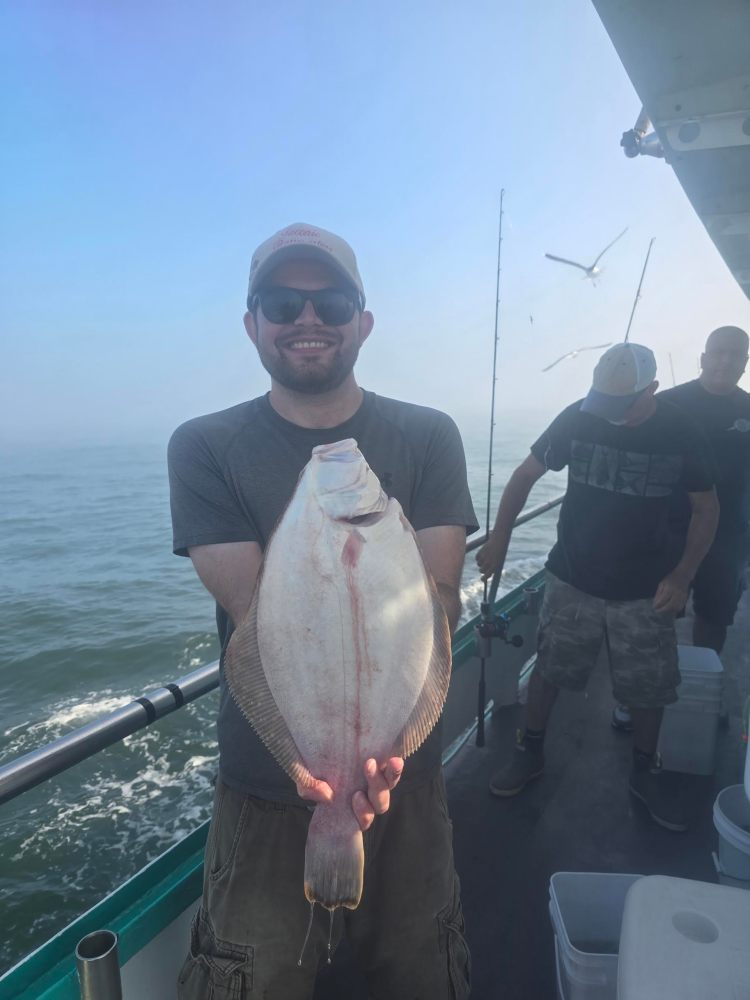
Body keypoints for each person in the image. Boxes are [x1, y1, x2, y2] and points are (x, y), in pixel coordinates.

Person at [168, 223, 476, 999]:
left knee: (422, 975)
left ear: (362, 321)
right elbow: (250, 608)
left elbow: (439, 601)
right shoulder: (203, 445)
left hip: (404, 770)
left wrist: (383, 755)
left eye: (331, 301)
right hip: (269, 783)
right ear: (253, 324)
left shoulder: (428, 434)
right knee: (251, 978)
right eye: (282, 302)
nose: (308, 318)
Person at [476, 343, 718, 831]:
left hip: (647, 589)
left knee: (649, 689)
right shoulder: (579, 417)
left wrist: (683, 574)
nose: (609, 415)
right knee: (549, 669)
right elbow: (526, 474)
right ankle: (530, 752)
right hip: (571, 576)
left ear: (650, 390)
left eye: (621, 404)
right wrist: (500, 536)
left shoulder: (681, 430)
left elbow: (706, 508)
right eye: (602, 402)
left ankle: (643, 771)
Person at [659, 326, 750, 654]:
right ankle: (647, 689)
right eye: (718, 352)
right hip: (669, 530)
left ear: (746, 361)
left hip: (729, 537)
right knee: (658, 613)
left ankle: (707, 683)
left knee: (715, 617)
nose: (725, 361)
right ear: (703, 358)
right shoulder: (666, 405)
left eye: (736, 353)